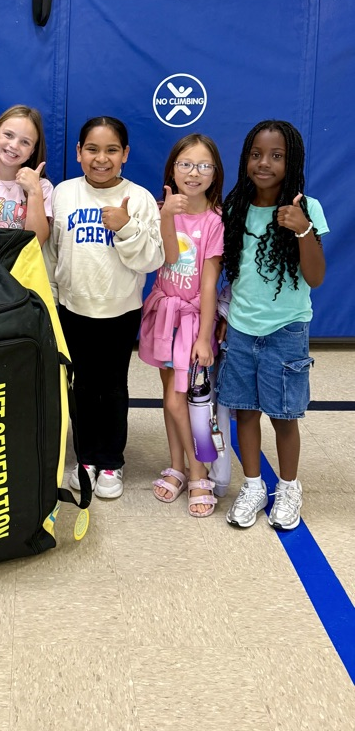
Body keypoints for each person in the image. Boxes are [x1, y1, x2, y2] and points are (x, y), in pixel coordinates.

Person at [44, 116, 163, 500]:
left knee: (111, 387)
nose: (101, 158)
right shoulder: (63, 193)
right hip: (72, 308)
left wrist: (126, 227)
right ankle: (85, 459)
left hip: (119, 311)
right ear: (79, 153)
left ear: (125, 154)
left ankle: (111, 461)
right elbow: (50, 254)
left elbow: (150, 260)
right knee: (79, 387)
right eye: (92, 149)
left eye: (112, 150)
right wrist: (50, 299)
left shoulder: (140, 198)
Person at [218, 121, 327, 531]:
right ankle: (252, 485)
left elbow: (315, 277)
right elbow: (234, 272)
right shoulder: (235, 207)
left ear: (291, 160)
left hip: (286, 331)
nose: (264, 163)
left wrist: (302, 228)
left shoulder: (307, 208)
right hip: (243, 330)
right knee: (244, 413)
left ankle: (288, 486)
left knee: (284, 416)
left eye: (276, 155)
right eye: (256, 154)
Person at [138, 134, 225, 516]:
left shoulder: (215, 221)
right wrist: (168, 216)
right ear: (172, 168)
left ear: (215, 173)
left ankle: (198, 471)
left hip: (191, 321)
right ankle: (176, 465)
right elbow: (169, 256)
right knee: (168, 396)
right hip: (163, 316)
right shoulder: (161, 210)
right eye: (185, 164)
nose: (194, 173)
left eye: (203, 165)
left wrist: (205, 336)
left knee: (181, 400)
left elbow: (209, 284)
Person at [0, 105, 53, 245]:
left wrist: (33, 191)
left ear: (32, 151)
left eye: (25, 142)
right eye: (8, 135)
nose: (14, 145)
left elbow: (37, 241)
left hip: (21, 265)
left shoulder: (42, 187)